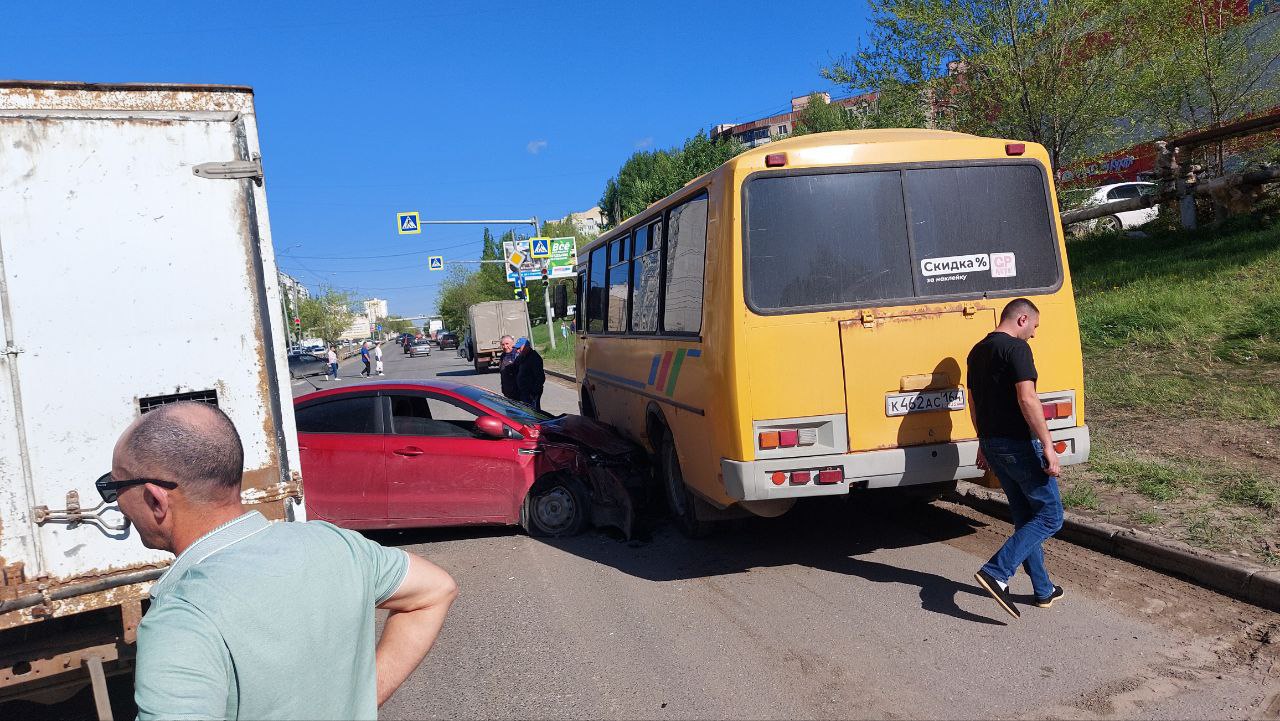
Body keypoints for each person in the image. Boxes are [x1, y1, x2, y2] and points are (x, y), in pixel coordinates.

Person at [103, 402, 457, 719]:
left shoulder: (180, 621)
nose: (115, 502)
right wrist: (362, 700)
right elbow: (435, 589)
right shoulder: (334, 543)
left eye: (114, 487)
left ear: (155, 499)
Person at [967, 298, 1064, 620]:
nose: (1034, 335)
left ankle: (1043, 589)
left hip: (994, 444)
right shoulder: (1016, 349)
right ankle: (997, 571)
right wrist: (1048, 445)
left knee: (1026, 517)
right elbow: (1027, 398)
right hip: (1018, 445)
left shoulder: (977, 351)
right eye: (1035, 327)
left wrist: (983, 442)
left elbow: (975, 404)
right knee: (1051, 516)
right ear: (1022, 319)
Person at [513, 337, 545, 411]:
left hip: (531, 393)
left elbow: (540, 377)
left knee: (533, 412)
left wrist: (534, 392)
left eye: (519, 348)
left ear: (526, 346)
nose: (517, 350)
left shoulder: (534, 358)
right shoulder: (523, 356)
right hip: (525, 391)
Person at [497, 335, 518, 399]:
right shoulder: (503, 355)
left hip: (518, 392)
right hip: (508, 392)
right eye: (503, 344)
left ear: (512, 344)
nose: (505, 346)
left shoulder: (517, 355)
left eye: (507, 344)